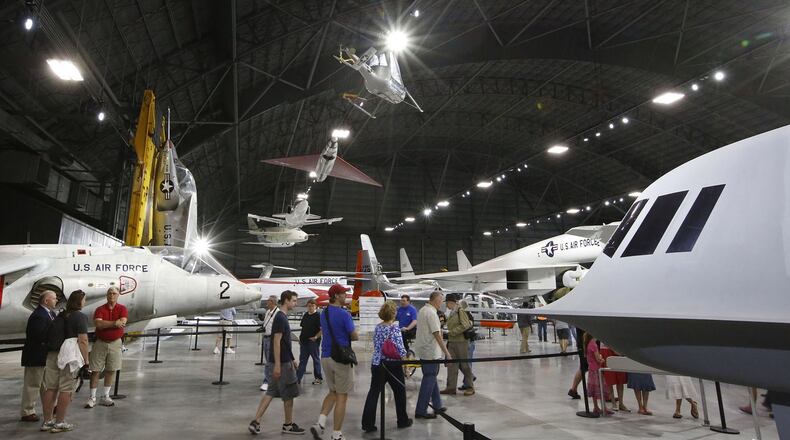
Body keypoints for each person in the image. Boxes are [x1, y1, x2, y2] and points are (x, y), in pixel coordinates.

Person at [248, 290, 305, 435]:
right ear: (286, 300)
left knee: (271, 392)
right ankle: (288, 425)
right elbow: (277, 341)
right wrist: (279, 365)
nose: (295, 303)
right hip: (282, 364)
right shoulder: (280, 318)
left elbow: (285, 343)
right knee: (290, 395)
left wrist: (292, 358)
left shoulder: (281, 317)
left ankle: (256, 421)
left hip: (283, 361)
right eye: (293, 300)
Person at [311, 284, 358, 440]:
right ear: (337, 296)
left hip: (325, 356)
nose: (346, 296)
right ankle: (336, 433)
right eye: (344, 293)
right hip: (340, 358)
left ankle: (320, 423)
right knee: (342, 396)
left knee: (332, 392)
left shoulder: (323, 313)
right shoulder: (344, 314)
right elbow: (354, 336)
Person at [41, 290, 90, 433]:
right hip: (69, 356)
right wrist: (86, 360)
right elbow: (83, 340)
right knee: (66, 389)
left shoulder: (60, 315)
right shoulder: (80, 317)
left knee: (51, 388)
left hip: (53, 355)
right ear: (80, 301)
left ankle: (47, 421)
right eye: (84, 299)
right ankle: (60, 423)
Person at [361, 301, 412, 432]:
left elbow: (377, 344)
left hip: (377, 363)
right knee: (400, 392)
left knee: (374, 392)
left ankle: (368, 424)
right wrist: (406, 362)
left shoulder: (378, 327)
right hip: (393, 365)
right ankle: (402, 420)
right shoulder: (394, 328)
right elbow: (400, 349)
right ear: (393, 314)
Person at [85, 287, 127, 409]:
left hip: (115, 343)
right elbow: (98, 324)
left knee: (111, 369)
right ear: (106, 295)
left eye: (114, 293)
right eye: (109, 293)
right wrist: (114, 323)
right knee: (95, 370)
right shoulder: (100, 309)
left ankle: (105, 396)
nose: (112, 295)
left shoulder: (122, 309)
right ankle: (92, 397)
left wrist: (106, 324)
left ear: (118, 295)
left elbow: (122, 322)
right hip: (100, 342)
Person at [20, 290, 58, 422]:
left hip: (44, 356)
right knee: (32, 384)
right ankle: (27, 411)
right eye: (54, 298)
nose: (56, 300)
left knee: (45, 384)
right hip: (36, 356)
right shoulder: (39, 316)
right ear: (46, 300)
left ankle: (50, 406)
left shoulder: (51, 313)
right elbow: (39, 336)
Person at [414, 290, 452, 420]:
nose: (442, 303)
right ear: (437, 300)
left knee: (431, 377)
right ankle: (420, 410)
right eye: (441, 301)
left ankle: (437, 405)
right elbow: (437, 334)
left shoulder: (423, 310)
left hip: (424, 350)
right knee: (429, 379)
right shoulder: (431, 313)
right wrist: (446, 353)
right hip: (430, 352)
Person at [441, 294, 474, 396]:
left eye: (447, 303)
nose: (446, 305)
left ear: (452, 302)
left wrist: (452, 332)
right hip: (452, 342)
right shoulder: (452, 312)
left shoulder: (460, 311)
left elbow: (466, 325)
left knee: (464, 365)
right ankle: (451, 387)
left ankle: (470, 387)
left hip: (461, 342)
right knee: (451, 365)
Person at [584, 332, 612, 415]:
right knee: (601, 389)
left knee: (594, 389)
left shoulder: (588, 344)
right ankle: (604, 408)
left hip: (591, 369)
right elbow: (598, 359)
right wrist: (602, 359)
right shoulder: (594, 345)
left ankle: (596, 407)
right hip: (596, 369)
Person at [297, 299, 323, 385]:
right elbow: (303, 328)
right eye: (309, 306)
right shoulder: (305, 316)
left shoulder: (318, 316)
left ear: (316, 306)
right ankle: (297, 379)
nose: (310, 307)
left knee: (316, 360)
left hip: (313, 342)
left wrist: (315, 337)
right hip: (304, 342)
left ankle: (318, 378)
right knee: (302, 361)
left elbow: (322, 329)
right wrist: (300, 339)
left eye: (312, 306)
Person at [600, 343, 629, 412]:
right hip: (607, 351)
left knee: (620, 379)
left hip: (617, 350)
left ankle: (621, 403)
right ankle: (614, 403)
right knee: (609, 379)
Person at [260, 296, 278, 391]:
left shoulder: (277, 313)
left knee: (270, 362)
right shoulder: (267, 312)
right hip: (266, 338)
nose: (267, 302)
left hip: (272, 339)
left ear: (272, 302)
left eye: (268, 301)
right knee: (268, 360)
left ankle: (267, 381)